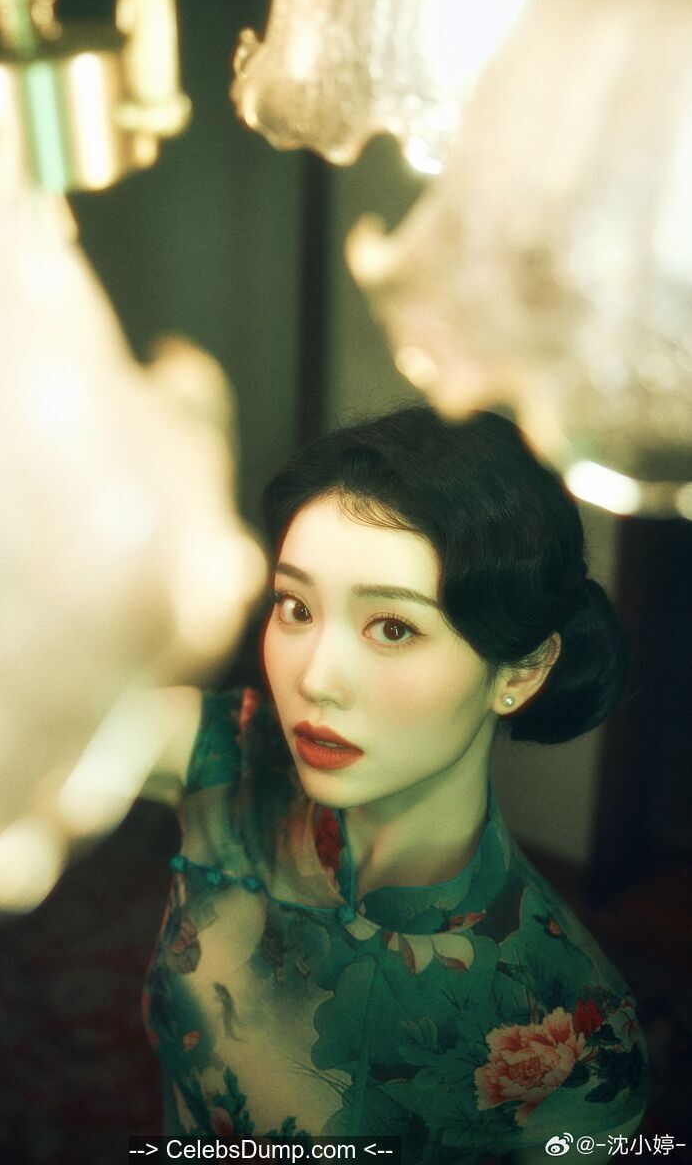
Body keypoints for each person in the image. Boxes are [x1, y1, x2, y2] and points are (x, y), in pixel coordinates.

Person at [139, 406, 649, 1162]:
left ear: (520, 671)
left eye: (392, 628)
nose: (316, 678)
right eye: (296, 608)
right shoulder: (225, 759)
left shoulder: (575, 1033)